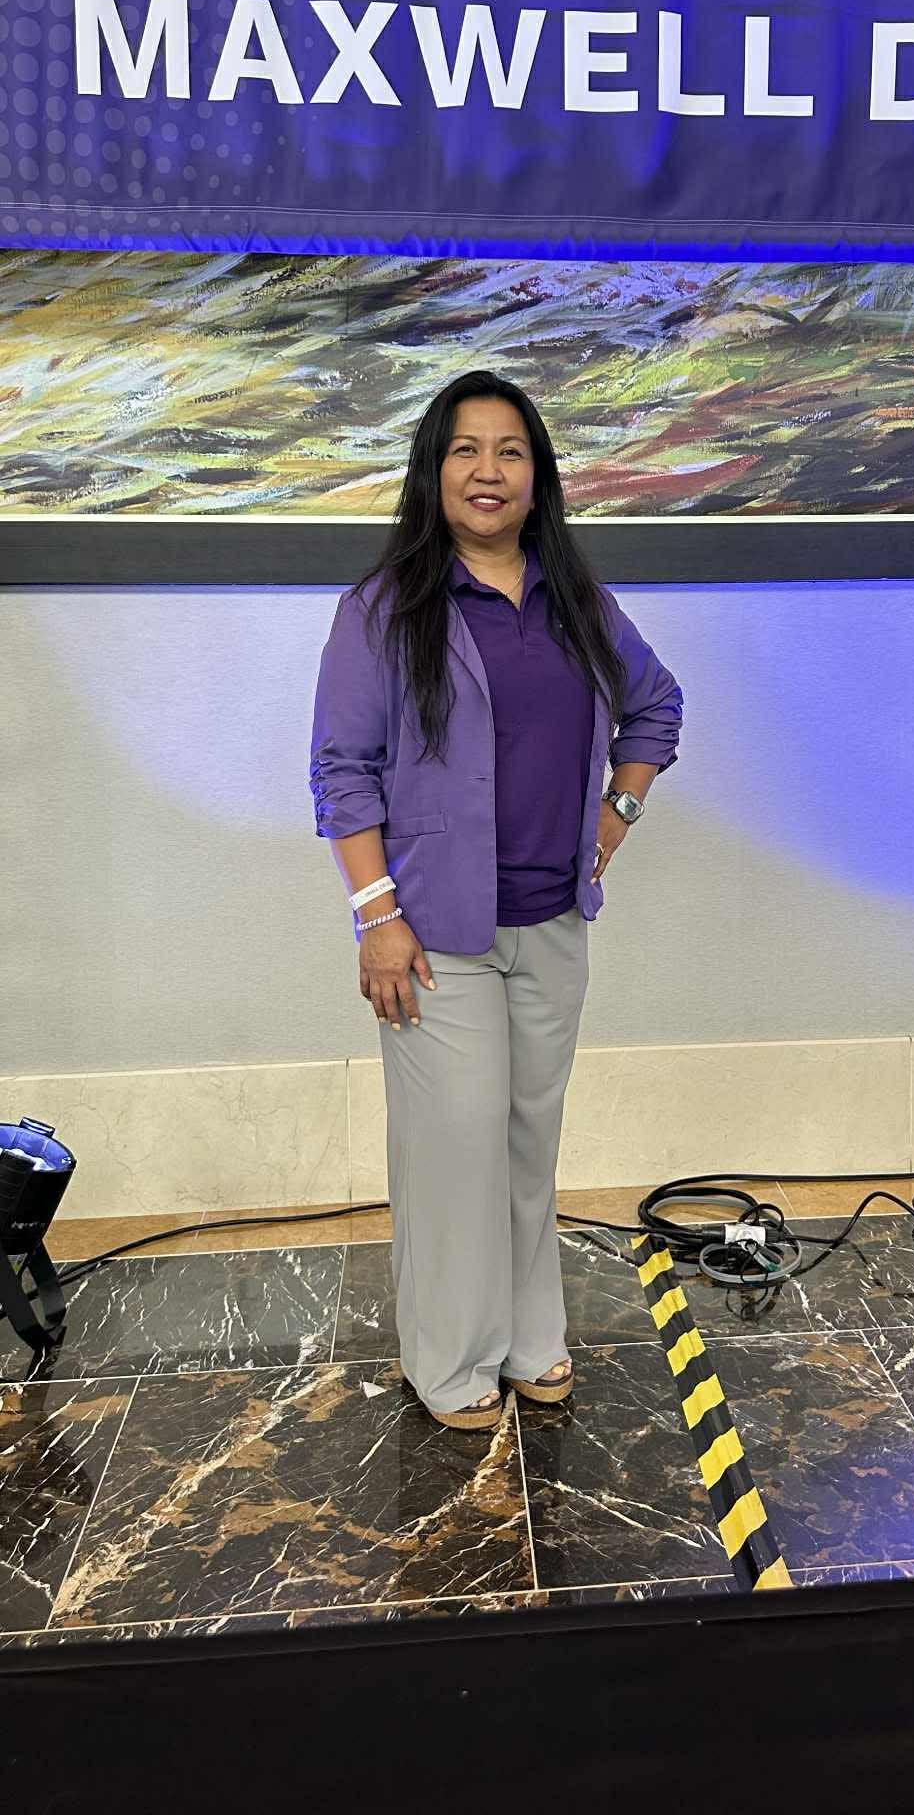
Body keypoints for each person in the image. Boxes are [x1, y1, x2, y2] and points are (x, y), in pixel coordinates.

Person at [309, 369, 683, 1430]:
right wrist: (377, 917)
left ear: (538, 475)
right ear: (433, 471)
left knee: (526, 1138)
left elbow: (656, 706)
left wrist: (615, 813)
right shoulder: (382, 611)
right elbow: (342, 772)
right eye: (465, 449)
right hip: (433, 933)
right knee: (452, 1146)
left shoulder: (578, 601)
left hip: (553, 920)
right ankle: (449, 1357)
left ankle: (528, 1336)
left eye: (510, 450)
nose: (488, 470)